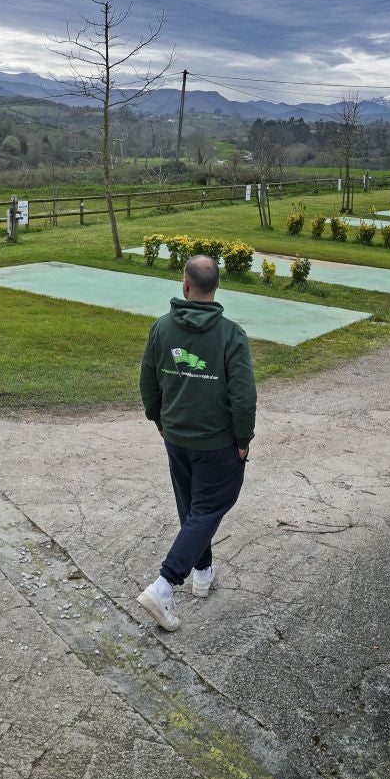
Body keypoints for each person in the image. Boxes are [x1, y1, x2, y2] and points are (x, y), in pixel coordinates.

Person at [135, 253, 256, 631]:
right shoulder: (231, 334)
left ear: (185, 284)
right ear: (216, 286)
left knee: (192, 507)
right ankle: (165, 584)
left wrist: (159, 419)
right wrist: (242, 440)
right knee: (207, 507)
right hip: (216, 442)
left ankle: (202, 573)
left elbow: (148, 382)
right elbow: (243, 396)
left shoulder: (162, 328)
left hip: (176, 436)